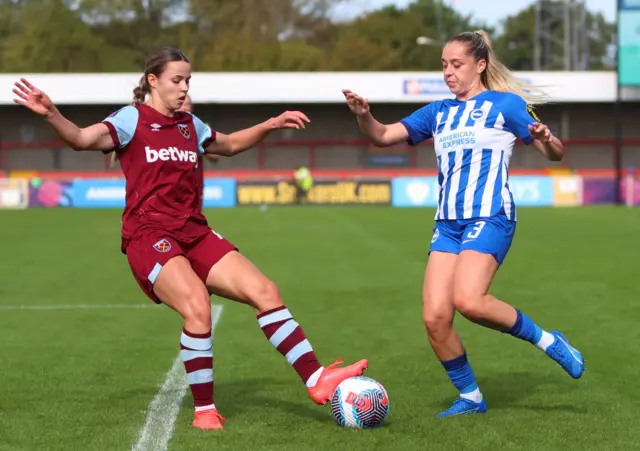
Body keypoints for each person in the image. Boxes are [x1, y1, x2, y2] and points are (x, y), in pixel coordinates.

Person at [13, 47, 367, 430]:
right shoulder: (132, 119)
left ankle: (316, 379)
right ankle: (204, 411)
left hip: (193, 231)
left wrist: (269, 124)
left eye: (188, 81)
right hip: (148, 235)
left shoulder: (189, 125)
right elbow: (82, 139)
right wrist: (52, 113)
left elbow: (227, 145)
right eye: (176, 80)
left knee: (265, 291)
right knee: (197, 306)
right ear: (153, 80)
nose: (184, 88)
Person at [342, 30, 584, 417]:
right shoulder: (437, 112)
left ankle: (549, 341)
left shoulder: (506, 105)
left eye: (456, 65)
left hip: (490, 214)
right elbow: (383, 135)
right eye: (443, 65)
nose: (448, 72)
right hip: (448, 224)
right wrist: (364, 116)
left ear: (480, 65)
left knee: (470, 301)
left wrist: (547, 137)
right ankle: (470, 397)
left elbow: (554, 153)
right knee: (435, 317)